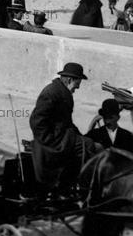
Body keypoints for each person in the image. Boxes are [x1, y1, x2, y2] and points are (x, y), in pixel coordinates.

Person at [29, 63, 99, 196]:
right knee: (88, 145)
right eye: (77, 85)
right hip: (54, 141)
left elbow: (67, 122)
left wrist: (80, 135)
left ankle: (72, 183)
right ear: (69, 80)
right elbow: (36, 121)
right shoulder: (51, 93)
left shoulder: (62, 92)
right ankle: (77, 186)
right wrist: (49, 141)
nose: (77, 88)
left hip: (63, 136)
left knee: (87, 141)